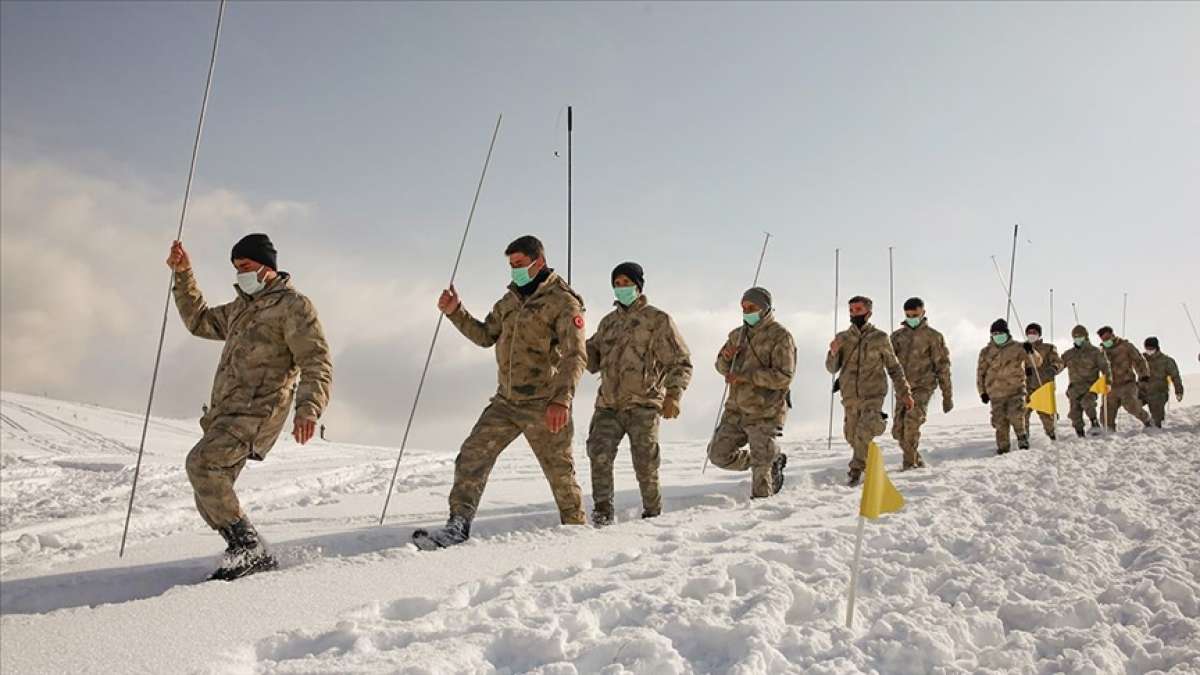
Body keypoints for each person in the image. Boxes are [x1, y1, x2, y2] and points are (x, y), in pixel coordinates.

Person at [167, 234, 333, 580]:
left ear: (266, 267)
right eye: (236, 267)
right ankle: (246, 551)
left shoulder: (293, 307)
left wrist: (309, 409)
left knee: (202, 464)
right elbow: (199, 321)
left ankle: (249, 549)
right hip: (226, 413)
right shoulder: (240, 308)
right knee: (210, 487)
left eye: (245, 266)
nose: (239, 273)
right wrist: (183, 275)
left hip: (259, 411)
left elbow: (316, 360)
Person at [415, 236, 587, 549]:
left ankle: (576, 534)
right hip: (506, 402)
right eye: (511, 266)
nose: (515, 271)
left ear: (539, 261)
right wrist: (456, 312)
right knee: (471, 456)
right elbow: (485, 336)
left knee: (560, 474)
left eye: (520, 265)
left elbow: (576, 355)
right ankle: (457, 526)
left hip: (544, 403)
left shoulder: (563, 302)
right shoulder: (509, 302)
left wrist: (562, 399)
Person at [585, 262, 693, 526]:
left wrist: (674, 395)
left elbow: (680, 361)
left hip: (643, 404)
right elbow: (591, 360)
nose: (621, 288)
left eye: (626, 282)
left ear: (638, 285)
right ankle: (602, 512)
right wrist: (572, 343)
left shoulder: (657, 320)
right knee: (598, 454)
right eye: (617, 283)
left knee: (645, 462)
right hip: (608, 404)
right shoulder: (608, 323)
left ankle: (652, 513)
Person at [707, 287, 794, 498]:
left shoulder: (781, 336)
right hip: (736, 409)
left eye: (752, 307)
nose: (747, 311)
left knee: (761, 488)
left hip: (766, 411)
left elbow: (784, 376)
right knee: (718, 455)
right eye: (744, 308)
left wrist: (747, 376)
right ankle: (766, 459)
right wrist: (726, 358)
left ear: (764, 308)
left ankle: (763, 470)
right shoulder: (737, 335)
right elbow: (720, 367)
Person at [827, 296, 913, 486]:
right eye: (851, 310)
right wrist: (833, 353)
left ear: (868, 312)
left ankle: (855, 470)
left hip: (873, 394)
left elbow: (894, 367)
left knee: (863, 431)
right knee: (852, 435)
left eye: (858, 310)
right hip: (849, 396)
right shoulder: (842, 338)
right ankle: (874, 431)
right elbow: (832, 368)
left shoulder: (880, 338)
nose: (854, 314)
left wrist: (904, 392)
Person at [889, 297, 952, 470]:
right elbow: (887, 361)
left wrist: (947, 396)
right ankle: (916, 458)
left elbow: (943, 366)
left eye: (914, 314)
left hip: (923, 386)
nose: (911, 318)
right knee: (898, 431)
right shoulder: (897, 337)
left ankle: (909, 465)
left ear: (923, 312)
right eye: (908, 315)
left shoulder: (933, 337)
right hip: (903, 388)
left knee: (911, 423)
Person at [977, 319, 1041, 455]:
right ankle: (1003, 448)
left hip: (1016, 390)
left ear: (1006, 333)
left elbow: (1036, 362)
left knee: (1016, 414)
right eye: (994, 333)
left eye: (1000, 333)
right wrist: (982, 392)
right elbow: (980, 373)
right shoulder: (986, 352)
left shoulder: (1018, 347)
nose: (997, 336)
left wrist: (1031, 351)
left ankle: (1022, 438)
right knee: (999, 422)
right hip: (995, 393)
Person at [1096, 326, 1152, 430]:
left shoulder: (1125, 346)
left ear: (1113, 335)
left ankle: (1147, 420)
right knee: (1105, 416)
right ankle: (1110, 434)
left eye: (1108, 338)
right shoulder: (1101, 352)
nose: (1106, 341)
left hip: (1127, 384)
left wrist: (1143, 376)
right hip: (1111, 387)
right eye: (1103, 339)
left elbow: (1139, 360)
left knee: (1131, 405)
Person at [1060, 324, 1111, 437]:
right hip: (1074, 389)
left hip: (1090, 387)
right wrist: (1051, 370)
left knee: (1087, 403)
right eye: (1075, 336)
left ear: (1086, 337)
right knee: (1074, 413)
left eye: (1080, 336)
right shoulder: (1069, 354)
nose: (1077, 338)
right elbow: (1059, 365)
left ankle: (1094, 423)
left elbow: (1105, 367)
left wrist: (1108, 381)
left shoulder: (1095, 352)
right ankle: (1080, 434)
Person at [1022, 322, 1064, 441]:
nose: (1031, 334)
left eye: (1034, 332)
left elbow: (1059, 362)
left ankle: (1052, 436)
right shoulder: (1022, 349)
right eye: (1029, 332)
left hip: (1042, 386)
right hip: (1026, 387)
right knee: (1022, 413)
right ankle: (1024, 438)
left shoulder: (1048, 348)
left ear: (1039, 334)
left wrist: (1054, 368)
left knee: (1046, 416)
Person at [1141, 337, 1184, 428]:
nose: (1149, 351)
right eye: (1147, 348)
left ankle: (1155, 423)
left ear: (1156, 348)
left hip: (1158, 393)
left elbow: (1175, 377)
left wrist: (1179, 391)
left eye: (1151, 349)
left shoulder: (1166, 361)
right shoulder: (1141, 359)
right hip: (1142, 392)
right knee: (1130, 403)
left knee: (1157, 420)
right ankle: (1146, 420)